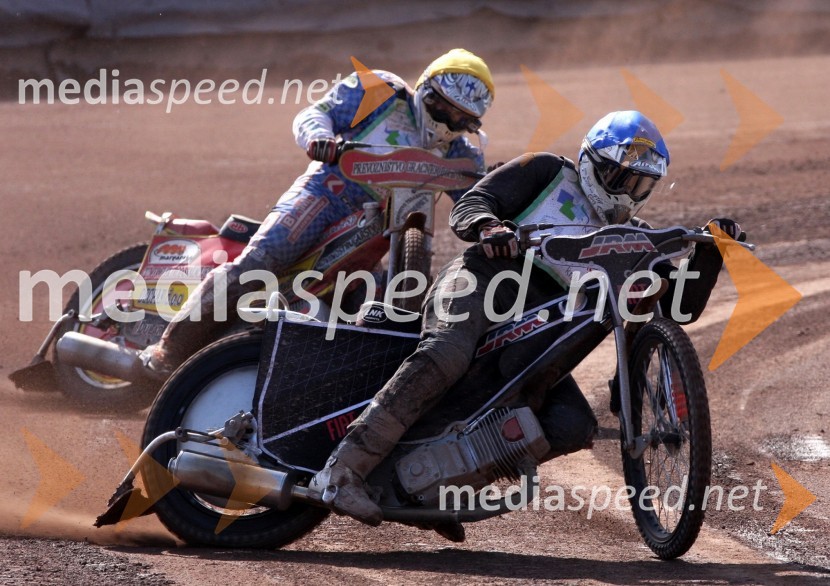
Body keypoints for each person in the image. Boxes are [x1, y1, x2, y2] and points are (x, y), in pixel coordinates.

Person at [308, 110, 743, 533]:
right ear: (592, 161)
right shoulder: (547, 171)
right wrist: (489, 227)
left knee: (571, 424)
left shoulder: (631, 239)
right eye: (621, 179)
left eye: (641, 185)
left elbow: (679, 308)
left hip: (534, 343)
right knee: (446, 352)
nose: (628, 194)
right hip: (481, 282)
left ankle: (436, 492)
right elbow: (472, 203)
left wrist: (710, 253)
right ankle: (342, 470)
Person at [141, 48, 495, 376]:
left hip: (374, 234)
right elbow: (316, 114)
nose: (448, 120)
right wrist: (318, 138)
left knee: (369, 306)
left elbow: (474, 199)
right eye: (443, 107)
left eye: (461, 117)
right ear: (425, 90)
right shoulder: (380, 92)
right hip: (325, 195)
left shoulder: (461, 155)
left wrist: (493, 216)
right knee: (259, 263)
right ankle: (168, 349)